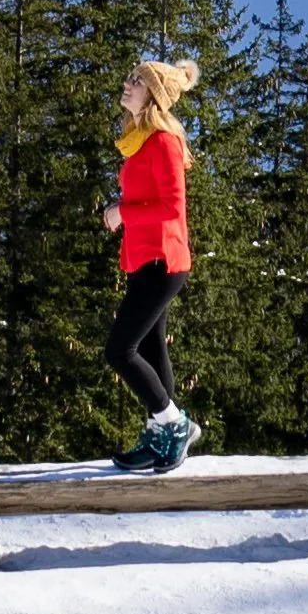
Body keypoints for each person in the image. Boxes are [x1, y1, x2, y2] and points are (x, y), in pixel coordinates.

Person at [103, 58, 201, 472]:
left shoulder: (163, 142)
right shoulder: (140, 138)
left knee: (119, 351)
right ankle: (161, 436)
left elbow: (172, 207)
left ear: (154, 95)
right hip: (148, 260)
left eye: (136, 81)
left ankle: (175, 423)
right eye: (129, 78)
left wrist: (123, 212)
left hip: (164, 260)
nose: (126, 85)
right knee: (149, 346)